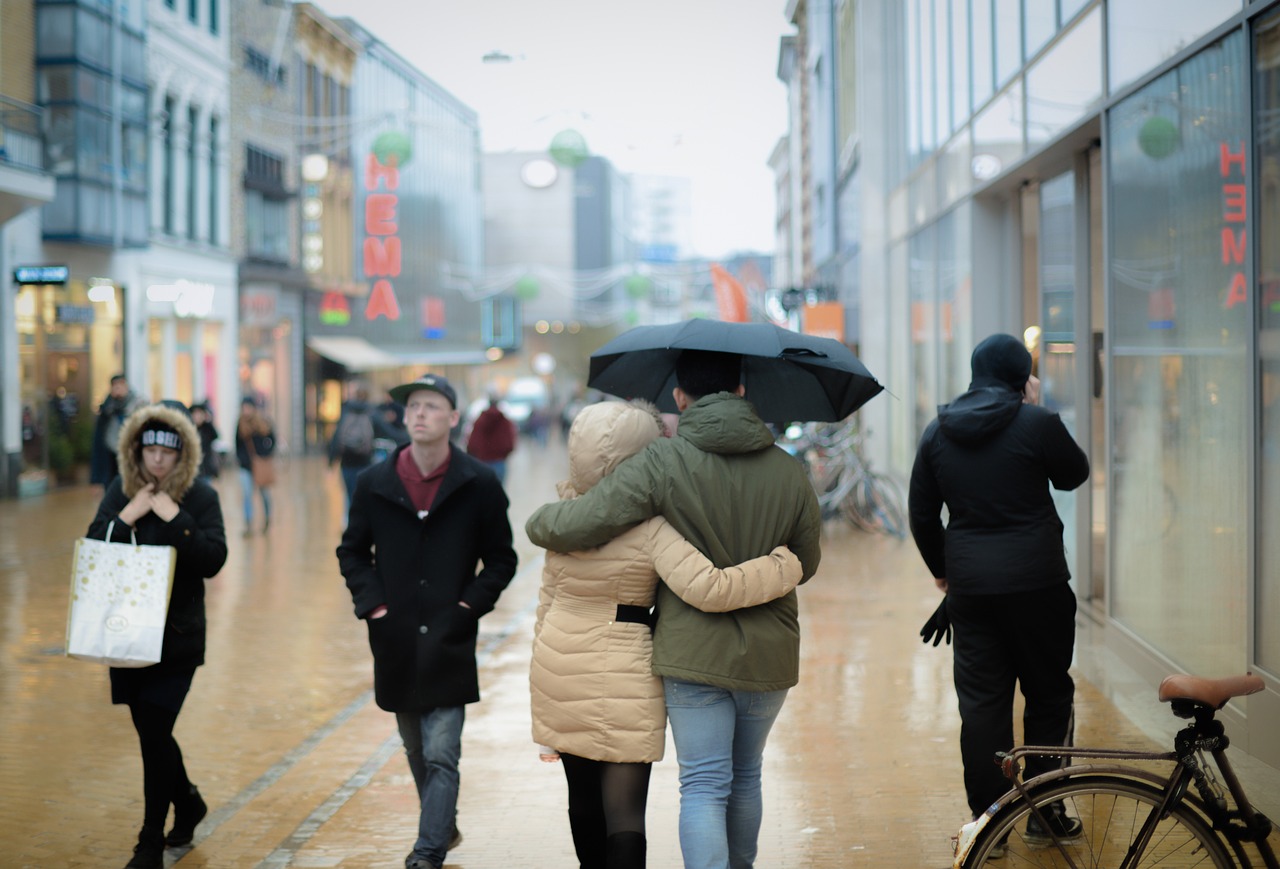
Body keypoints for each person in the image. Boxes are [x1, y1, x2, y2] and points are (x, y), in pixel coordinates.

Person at [526, 350, 822, 869]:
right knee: (746, 775)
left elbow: (589, 520)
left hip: (692, 651)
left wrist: (541, 521)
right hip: (770, 649)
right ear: (742, 392)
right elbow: (807, 560)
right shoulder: (789, 470)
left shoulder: (661, 462)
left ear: (680, 398)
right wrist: (781, 566)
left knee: (704, 784)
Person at [907, 332, 1090, 845]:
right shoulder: (1037, 422)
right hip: (1039, 584)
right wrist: (1033, 409)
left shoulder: (937, 432)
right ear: (1022, 376)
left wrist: (944, 570)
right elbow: (1074, 474)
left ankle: (991, 823)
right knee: (1049, 695)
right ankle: (1046, 814)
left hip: (973, 591)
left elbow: (921, 512)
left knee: (983, 706)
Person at [337, 373, 517, 869]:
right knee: (415, 747)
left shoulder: (478, 482)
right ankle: (443, 824)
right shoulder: (377, 483)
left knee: (441, 752)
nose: (419, 414)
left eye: (431, 406)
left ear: (453, 418)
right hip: (394, 639)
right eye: (413, 406)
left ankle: (427, 851)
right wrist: (375, 607)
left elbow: (502, 560)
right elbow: (352, 553)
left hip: (449, 637)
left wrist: (466, 608)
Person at [86, 402, 227, 868]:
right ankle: (187, 801)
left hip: (177, 638)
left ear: (182, 453)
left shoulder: (201, 497)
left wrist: (175, 518)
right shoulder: (121, 490)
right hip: (127, 639)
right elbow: (94, 546)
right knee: (152, 732)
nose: (158, 461)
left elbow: (213, 559)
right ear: (136, 450)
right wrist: (127, 515)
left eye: (167, 452)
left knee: (153, 728)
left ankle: (149, 842)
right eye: (149, 450)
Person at [91, 374, 147, 488]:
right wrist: (95, 478)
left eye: (120, 385)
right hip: (111, 459)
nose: (118, 389)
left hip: (132, 456)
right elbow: (98, 441)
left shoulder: (138, 405)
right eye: (115, 386)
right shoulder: (107, 409)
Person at [329, 387, 378, 511]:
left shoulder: (345, 411)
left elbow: (336, 437)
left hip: (347, 462)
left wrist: (331, 460)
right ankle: (364, 523)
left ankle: (351, 523)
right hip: (365, 462)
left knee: (349, 495)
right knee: (364, 495)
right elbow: (387, 432)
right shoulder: (372, 412)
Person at [234, 398, 275, 536]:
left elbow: (272, 439)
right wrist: (242, 459)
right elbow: (237, 445)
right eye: (244, 407)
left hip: (260, 465)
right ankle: (248, 523)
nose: (246, 410)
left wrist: (265, 453)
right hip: (246, 466)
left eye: (248, 407)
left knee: (264, 494)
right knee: (247, 495)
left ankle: (267, 520)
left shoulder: (263, 422)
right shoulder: (240, 424)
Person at [466, 394, 517, 483]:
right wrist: (503, 455)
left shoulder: (479, 421)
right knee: (499, 493)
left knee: (484, 494)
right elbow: (510, 443)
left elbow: (472, 443)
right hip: (499, 462)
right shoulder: (505, 422)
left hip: (482, 462)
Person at [189, 401, 220, 482]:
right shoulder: (188, 429)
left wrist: (208, 421)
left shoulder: (207, 428)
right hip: (192, 470)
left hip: (206, 468)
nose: (197, 417)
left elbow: (216, 436)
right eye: (195, 414)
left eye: (200, 414)